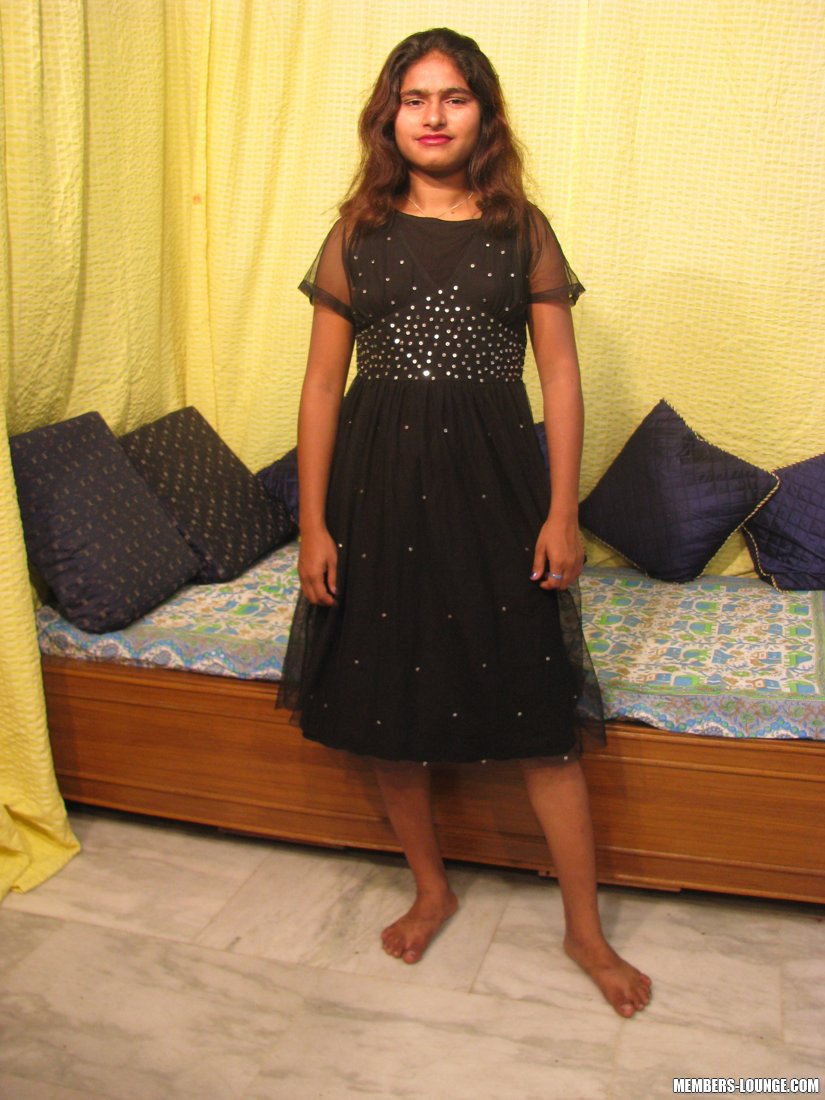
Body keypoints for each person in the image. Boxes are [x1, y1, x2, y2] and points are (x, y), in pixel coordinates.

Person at [279, 27, 652, 1017]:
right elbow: (319, 386)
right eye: (415, 98)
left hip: (497, 491)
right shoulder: (354, 234)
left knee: (541, 717)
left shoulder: (520, 229)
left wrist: (563, 510)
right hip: (375, 491)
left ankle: (584, 929)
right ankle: (431, 889)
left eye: (454, 97)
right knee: (385, 704)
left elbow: (560, 376)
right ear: (389, 116)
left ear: (484, 114)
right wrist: (313, 523)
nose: (434, 115)